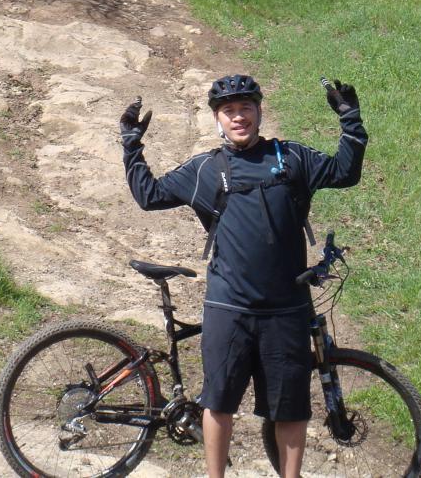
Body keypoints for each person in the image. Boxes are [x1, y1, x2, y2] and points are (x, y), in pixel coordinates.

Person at [120, 74, 366, 478]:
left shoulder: (293, 159)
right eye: (229, 111)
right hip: (228, 307)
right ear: (218, 119)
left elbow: (345, 171)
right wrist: (131, 141)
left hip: (287, 309)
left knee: (291, 408)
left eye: (246, 109)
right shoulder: (205, 168)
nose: (239, 117)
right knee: (218, 404)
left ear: (258, 113)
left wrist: (351, 120)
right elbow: (149, 196)